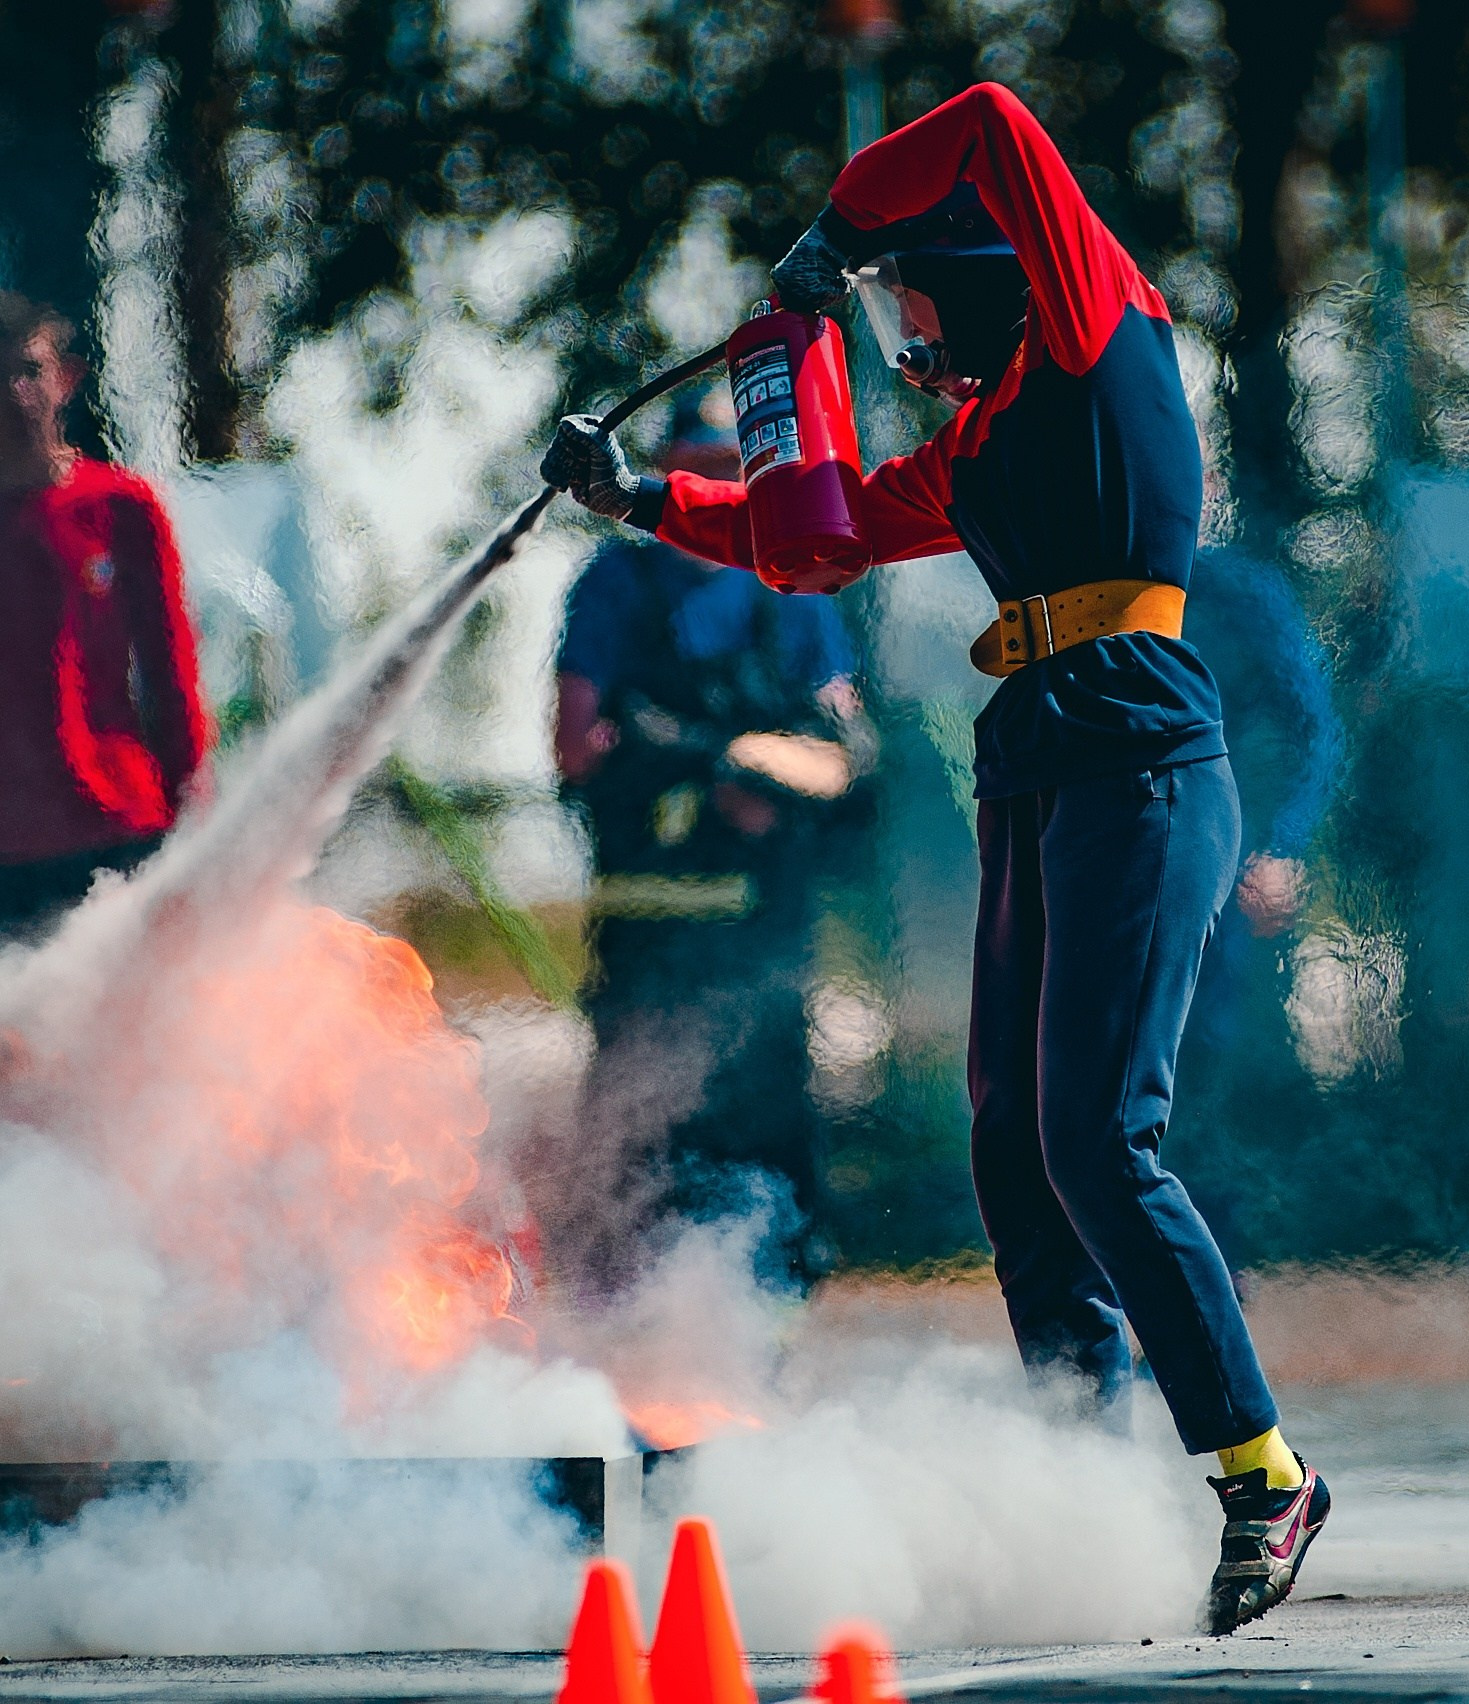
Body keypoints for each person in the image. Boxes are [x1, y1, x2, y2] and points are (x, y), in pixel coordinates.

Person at [544, 82, 1325, 1633]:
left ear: (980, 283)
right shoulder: (977, 444)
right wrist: (636, 501)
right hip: (1039, 758)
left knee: (1101, 1136)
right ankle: (1078, 1478)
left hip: (1146, 754)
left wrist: (832, 241)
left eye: (912, 312)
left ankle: (1264, 1476)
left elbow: (988, 120)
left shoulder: (1098, 337)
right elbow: (813, 540)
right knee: (1013, 1148)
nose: (900, 349)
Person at [547, 398, 873, 1284]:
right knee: (635, 1135)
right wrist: (694, 767)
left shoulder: (792, 582)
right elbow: (576, 750)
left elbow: (844, 755)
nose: (708, 486)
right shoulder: (618, 583)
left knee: (766, 1131)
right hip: (648, 942)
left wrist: (746, 768)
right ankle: (619, 1329)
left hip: (765, 941)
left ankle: (750, 1325)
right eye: (693, 465)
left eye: (728, 469)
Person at [0, 294, 211, 979]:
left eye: (31, 370)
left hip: (118, 828)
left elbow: (170, 675)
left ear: (69, 377)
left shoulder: (124, 510)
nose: (16, 392)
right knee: (6, 1062)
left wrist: (195, 828)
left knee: (131, 1058)